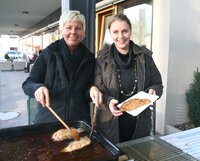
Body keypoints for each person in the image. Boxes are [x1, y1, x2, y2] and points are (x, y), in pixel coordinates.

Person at [90, 13, 163, 143]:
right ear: (110, 34)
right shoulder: (101, 60)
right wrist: (109, 101)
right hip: (110, 126)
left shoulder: (145, 57)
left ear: (130, 31)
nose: (120, 36)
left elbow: (158, 84)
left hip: (140, 126)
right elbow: (98, 88)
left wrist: (154, 90)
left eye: (125, 31)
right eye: (115, 32)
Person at [22, 10, 96, 124]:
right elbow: (28, 84)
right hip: (47, 122)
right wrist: (37, 88)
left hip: (79, 122)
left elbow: (86, 94)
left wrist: (92, 89)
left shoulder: (90, 59)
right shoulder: (48, 54)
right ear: (61, 30)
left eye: (78, 28)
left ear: (83, 32)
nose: (73, 32)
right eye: (68, 27)